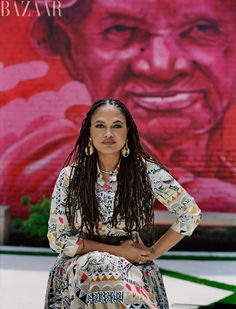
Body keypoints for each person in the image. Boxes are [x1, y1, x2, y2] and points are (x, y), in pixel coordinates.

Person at [1, 0, 236, 217]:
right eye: (121, 30)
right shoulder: (55, 158)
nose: (161, 66)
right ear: (70, 51)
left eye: (202, 29)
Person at [45, 98, 201, 309]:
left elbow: (190, 213)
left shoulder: (147, 173)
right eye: (100, 126)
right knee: (100, 266)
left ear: (128, 132)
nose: (108, 133)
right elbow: (58, 238)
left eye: (116, 126)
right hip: (80, 267)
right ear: (89, 132)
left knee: (111, 278)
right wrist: (120, 252)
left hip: (132, 266)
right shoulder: (71, 177)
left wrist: (152, 252)